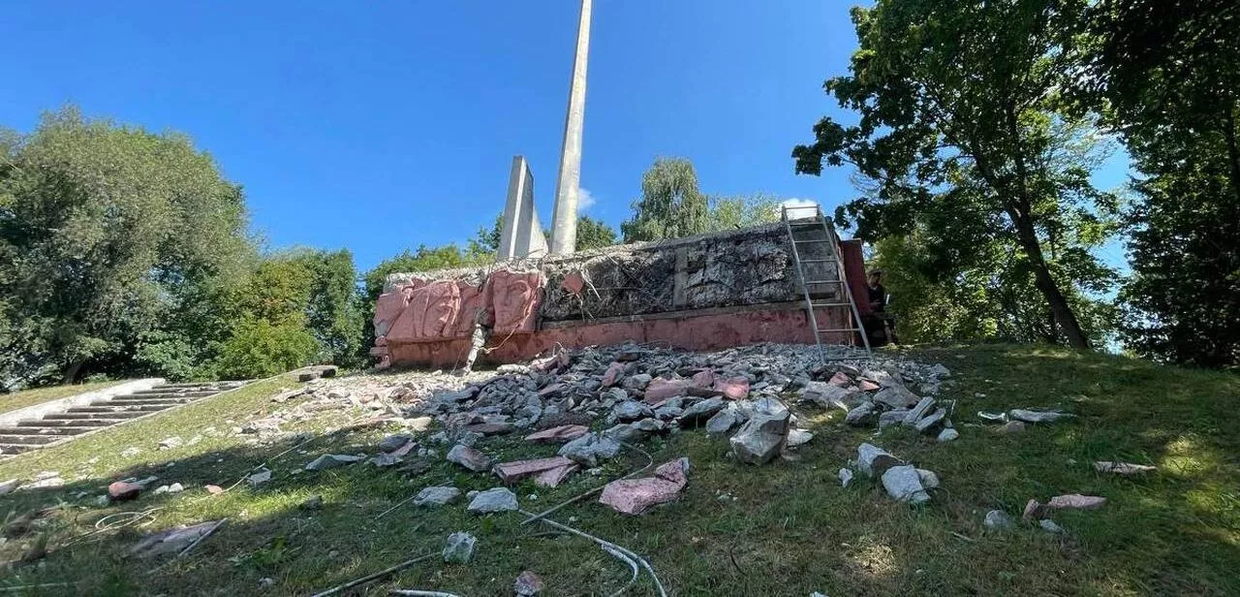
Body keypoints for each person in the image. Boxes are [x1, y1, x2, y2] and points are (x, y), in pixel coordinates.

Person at [863, 269, 898, 345]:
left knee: (889, 321)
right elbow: (863, 301)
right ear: (870, 277)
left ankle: (891, 340)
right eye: (875, 276)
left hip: (879, 310)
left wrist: (880, 305)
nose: (876, 278)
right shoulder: (865, 288)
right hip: (869, 311)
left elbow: (882, 301)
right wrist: (871, 305)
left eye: (878, 276)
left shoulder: (880, 288)